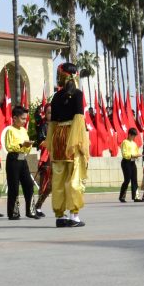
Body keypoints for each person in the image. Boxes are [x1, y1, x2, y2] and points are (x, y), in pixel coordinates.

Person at [47, 62, 89, 228]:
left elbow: (53, 122)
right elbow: (79, 119)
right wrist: (80, 142)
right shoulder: (77, 94)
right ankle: (74, 215)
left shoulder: (56, 97)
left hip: (58, 136)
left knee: (58, 176)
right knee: (74, 176)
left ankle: (59, 215)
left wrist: (52, 142)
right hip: (72, 135)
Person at [3, 105, 39, 219]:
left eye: (25, 118)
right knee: (13, 186)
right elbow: (9, 146)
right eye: (22, 118)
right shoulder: (10, 130)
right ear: (14, 118)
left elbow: (26, 147)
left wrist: (28, 145)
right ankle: (13, 213)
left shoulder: (24, 130)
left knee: (28, 184)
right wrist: (21, 145)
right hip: (13, 159)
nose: (24, 121)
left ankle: (31, 211)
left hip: (23, 159)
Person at [118, 128, 141, 203]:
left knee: (134, 179)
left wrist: (137, 155)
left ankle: (136, 197)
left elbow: (137, 152)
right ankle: (122, 196)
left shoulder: (134, 143)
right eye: (133, 136)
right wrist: (133, 155)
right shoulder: (125, 142)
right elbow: (124, 154)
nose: (134, 138)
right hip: (126, 162)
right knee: (127, 179)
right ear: (129, 134)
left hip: (132, 162)